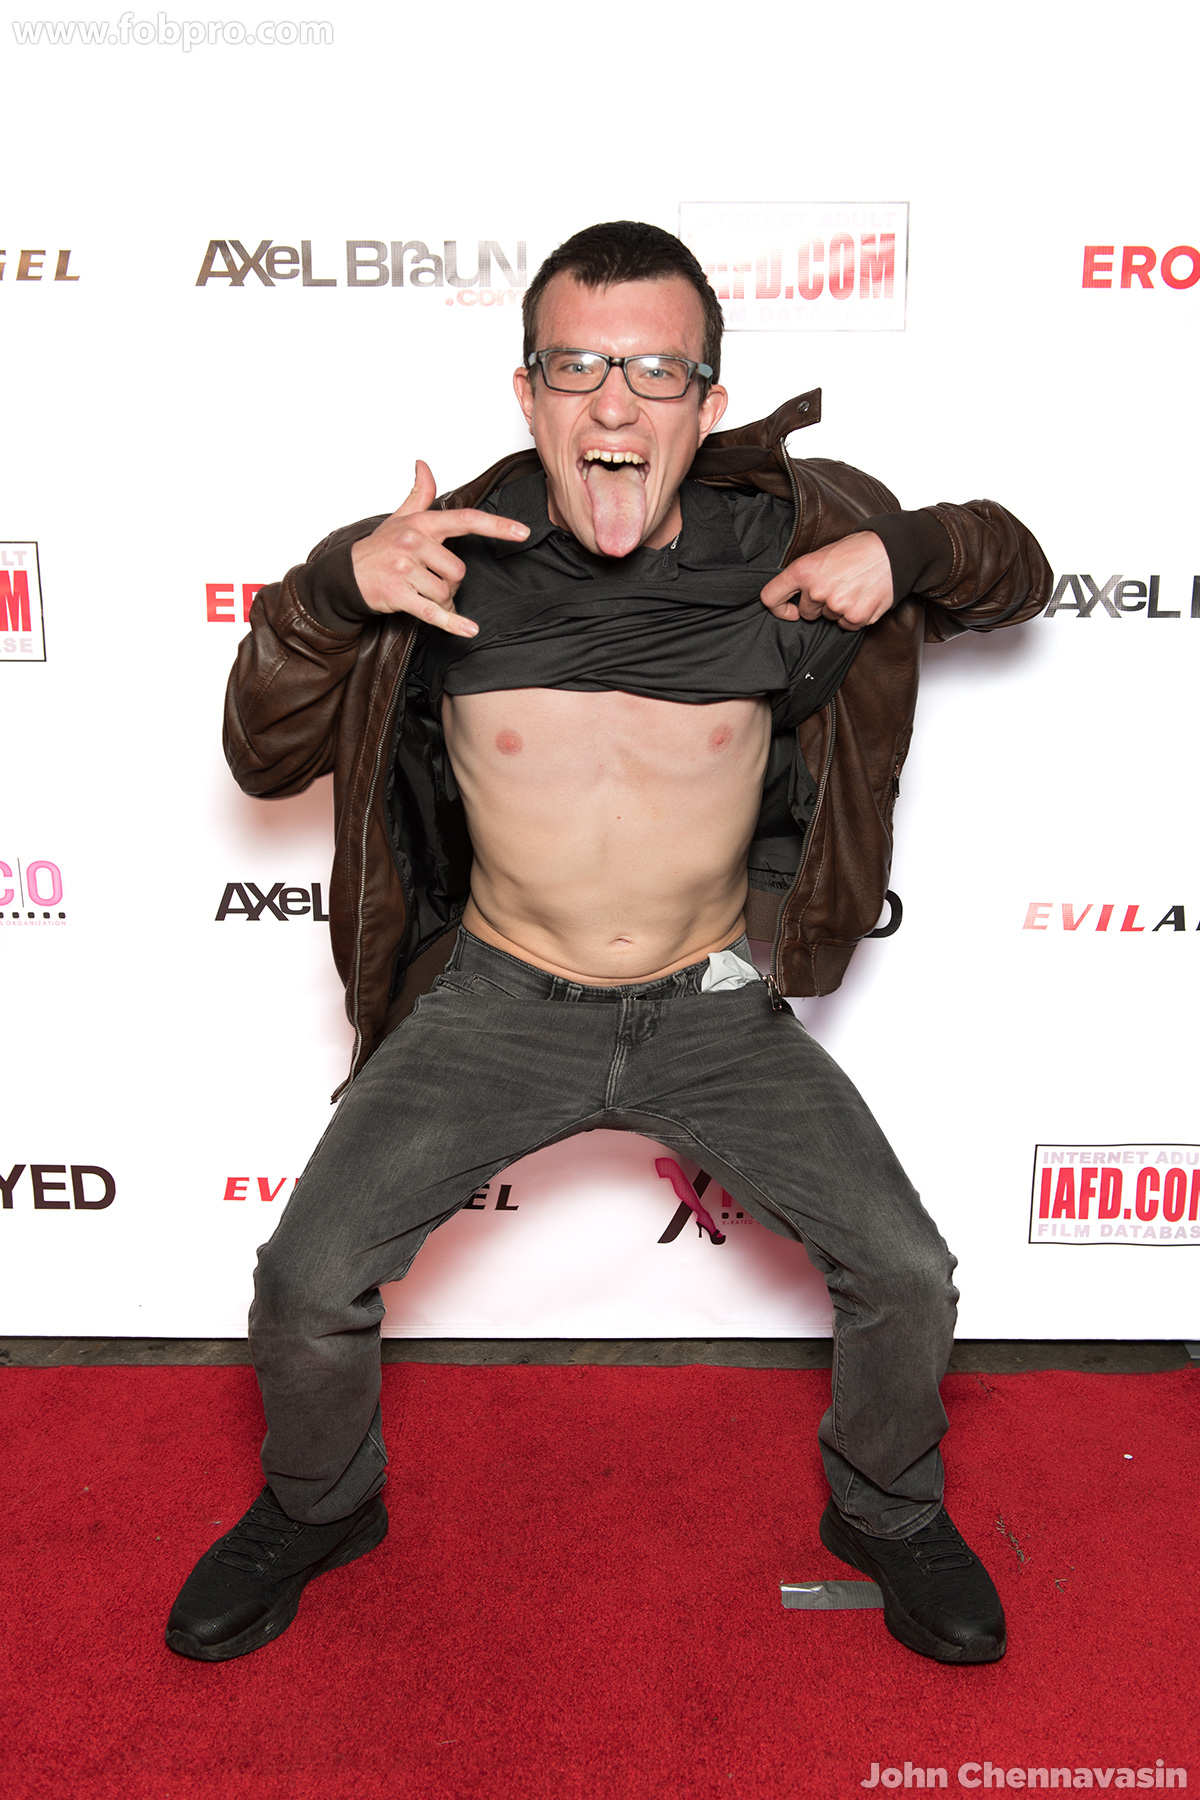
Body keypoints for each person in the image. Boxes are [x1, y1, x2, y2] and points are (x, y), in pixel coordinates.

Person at [166, 221, 1049, 1667]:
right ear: (528, 393)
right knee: (307, 1282)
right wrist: (328, 590)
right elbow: (261, 760)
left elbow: (1013, 570)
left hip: (711, 1008)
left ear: (709, 400)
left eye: (656, 371)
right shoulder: (440, 563)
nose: (616, 402)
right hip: (497, 1004)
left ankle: (885, 1508)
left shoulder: (796, 538)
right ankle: (322, 1505)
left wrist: (908, 549)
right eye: (577, 367)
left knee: (909, 1274)